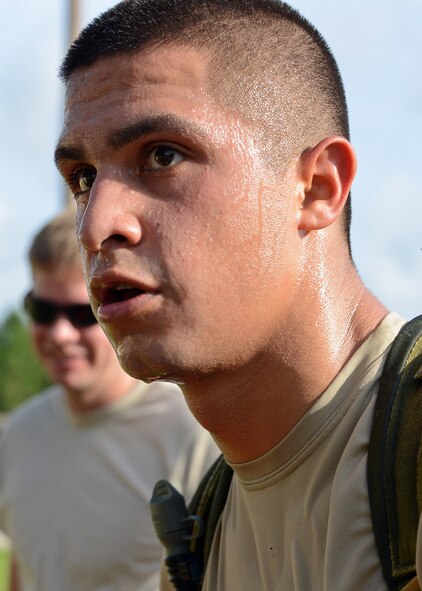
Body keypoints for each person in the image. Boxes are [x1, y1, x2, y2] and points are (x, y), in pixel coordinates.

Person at [53, 1, 421, 589]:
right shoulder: (199, 537)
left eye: (162, 155)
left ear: (318, 188)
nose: (97, 225)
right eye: (83, 178)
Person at [0, 208, 219, 591]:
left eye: (83, 313)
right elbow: (25, 567)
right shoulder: (18, 434)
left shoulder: (193, 430)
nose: (60, 334)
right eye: (43, 310)